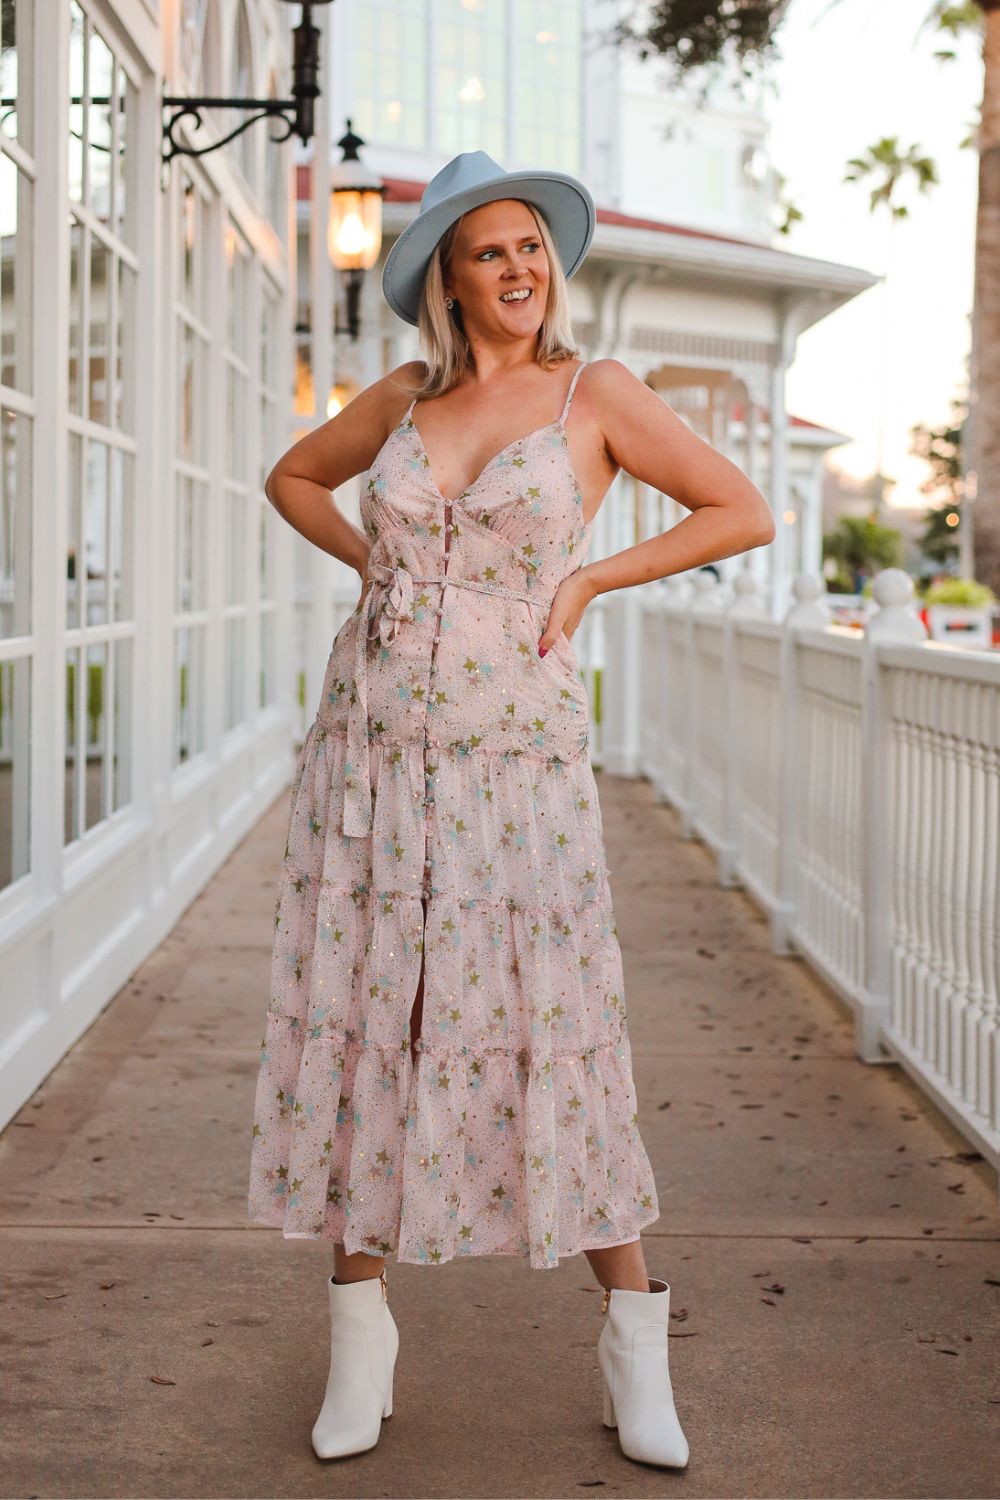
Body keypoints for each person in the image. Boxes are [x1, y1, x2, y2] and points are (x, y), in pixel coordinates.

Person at [246, 150, 775, 1467]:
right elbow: (293, 478)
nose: (521, 268)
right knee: (378, 1017)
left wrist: (588, 582)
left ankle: (635, 1346)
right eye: (492, 251)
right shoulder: (404, 399)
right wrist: (379, 569)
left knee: (552, 1023)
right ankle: (360, 1343)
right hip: (376, 758)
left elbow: (739, 509)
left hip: (517, 770)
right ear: (448, 278)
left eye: (532, 245)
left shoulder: (596, 394)